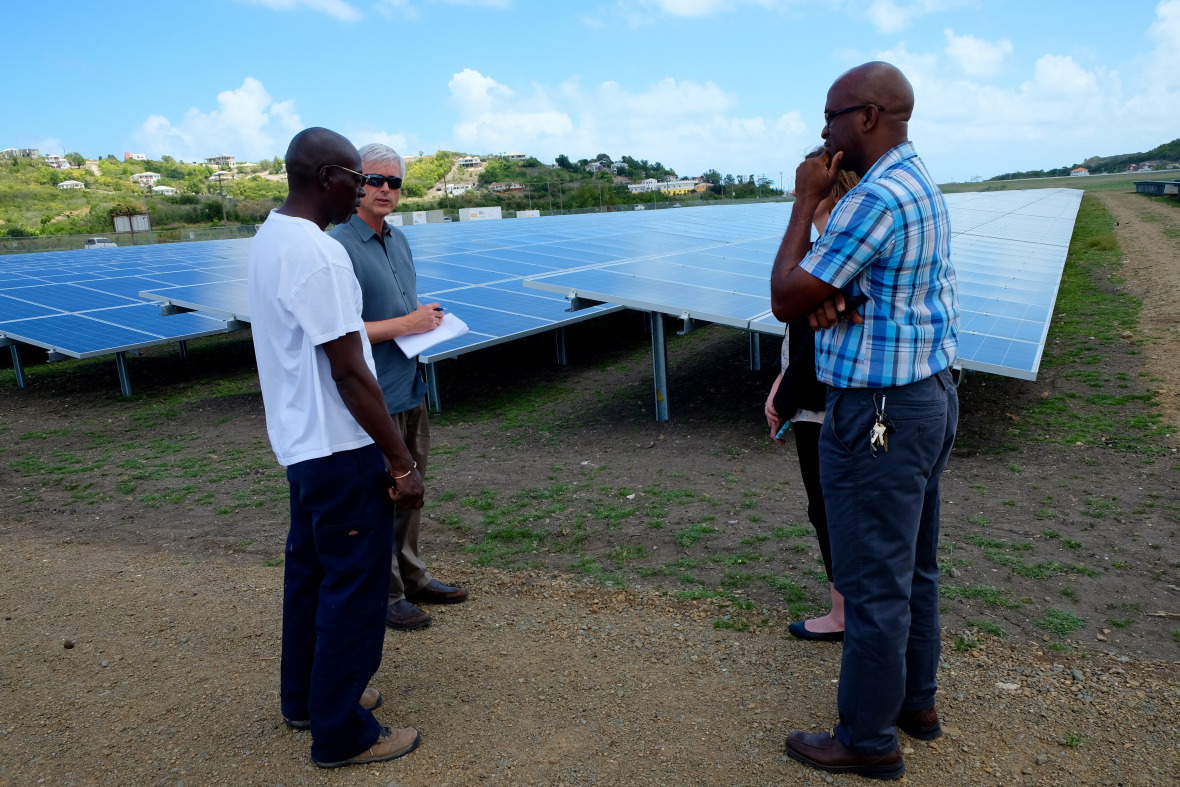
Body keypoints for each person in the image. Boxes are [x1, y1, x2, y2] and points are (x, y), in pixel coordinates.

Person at [769, 62, 959, 780]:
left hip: (878, 412)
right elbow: (839, 294)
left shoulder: (870, 198)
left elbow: (787, 293)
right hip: (927, 396)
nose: (823, 133)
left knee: (874, 582)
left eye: (832, 116)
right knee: (915, 567)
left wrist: (803, 201)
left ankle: (867, 739)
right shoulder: (920, 184)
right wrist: (832, 298)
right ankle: (917, 702)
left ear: (870, 116)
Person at [248, 127, 425, 768]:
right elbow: (350, 370)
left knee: (311, 578)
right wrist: (400, 461)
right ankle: (342, 732)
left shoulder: (271, 239)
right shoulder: (319, 256)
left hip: (300, 446)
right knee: (353, 588)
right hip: (339, 447)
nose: (363, 186)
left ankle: (307, 699)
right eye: (355, 174)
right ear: (326, 176)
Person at [329, 142, 469, 632]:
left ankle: (412, 576)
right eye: (374, 180)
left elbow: (399, 317)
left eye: (394, 183)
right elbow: (342, 331)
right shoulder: (338, 247)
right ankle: (384, 595)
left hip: (410, 385)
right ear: (354, 183)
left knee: (411, 493)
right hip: (373, 395)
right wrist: (408, 322)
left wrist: (424, 322)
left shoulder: (399, 240)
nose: (385, 190)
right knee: (379, 499)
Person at [763, 156, 859, 641]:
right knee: (840, 510)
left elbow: (810, 347)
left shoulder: (824, 261)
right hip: (838, 404)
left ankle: (843, 615)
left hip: (823, 412)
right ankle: (848, 609)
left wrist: (782, 398)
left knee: (826, 509)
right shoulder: (850, 254)